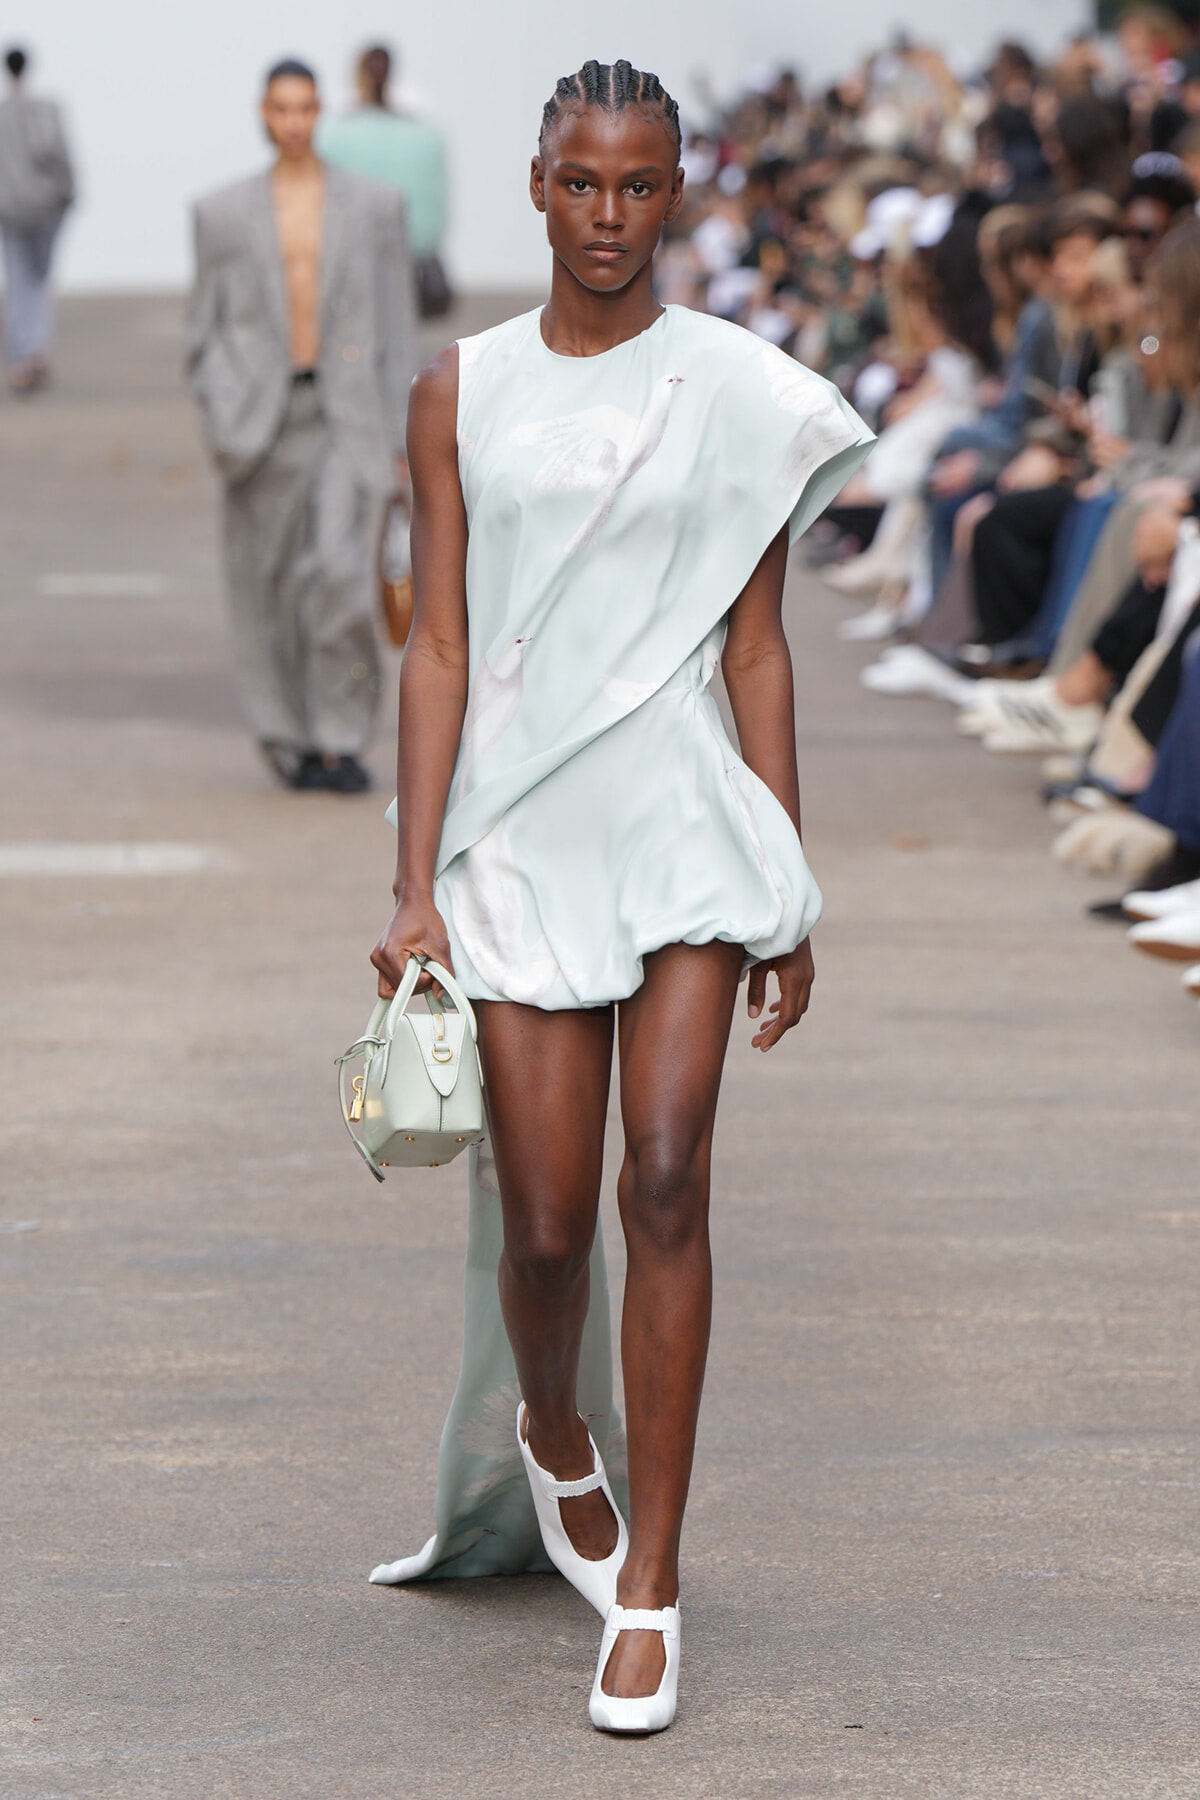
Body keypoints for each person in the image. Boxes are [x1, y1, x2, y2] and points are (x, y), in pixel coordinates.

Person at [366, 59, 872, 1734]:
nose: (608, 214)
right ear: (536, 185)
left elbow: (757, 648)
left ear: (677, 193)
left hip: (677, 823)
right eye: (581, 183)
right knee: (544, 1227)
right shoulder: (460, 389)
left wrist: (786, 876)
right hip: (517, 827)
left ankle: (649, 1581)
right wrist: (413, 880)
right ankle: (550, 1425)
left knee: (665, 1177)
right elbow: (438, 643)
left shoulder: (737, 388)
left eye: (640, 185)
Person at [186, 59, 417, 793]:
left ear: (320, 113)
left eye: (306, 107)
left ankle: (340, 738)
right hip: (260, 418)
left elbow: (397, 324)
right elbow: (203, 328)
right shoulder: (220, 213)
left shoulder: (375, 207)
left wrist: (401, 434)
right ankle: (287, 735)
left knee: (342, 576)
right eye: (281, 108)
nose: (294, 121)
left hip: (345, 414)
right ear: (264, 113)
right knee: (269, 589)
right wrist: (220, 410)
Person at [318, 44, 450, 317]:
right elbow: (431, 218)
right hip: (406, 262)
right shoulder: (424, 135)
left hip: (349, 262)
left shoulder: (334, 132)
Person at [0, 46, 75, 394]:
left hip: (13, 210)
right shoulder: (46, 110)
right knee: (36, 279)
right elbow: (60, 155)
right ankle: (34, 350)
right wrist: (67, 196)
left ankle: (24, 356)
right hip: (43, 208)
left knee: (20, 280)